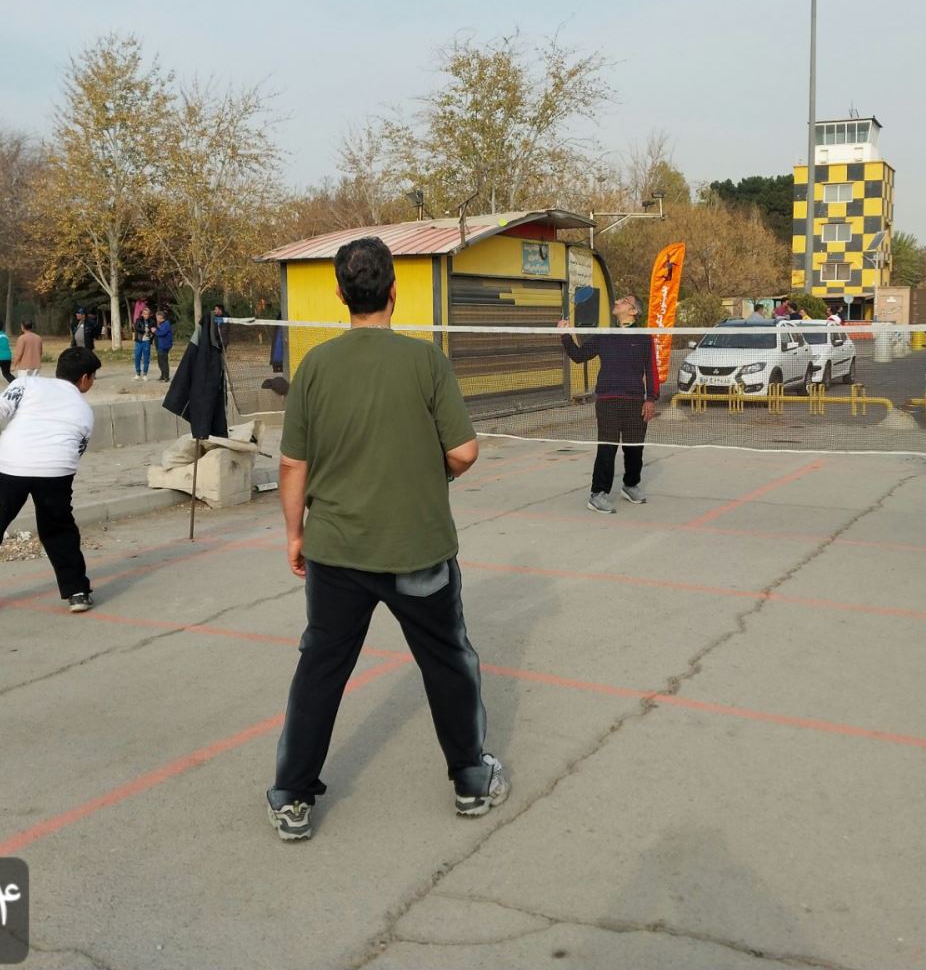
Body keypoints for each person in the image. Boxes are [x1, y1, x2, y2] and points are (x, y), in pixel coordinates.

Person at [267, 236, 506, 841]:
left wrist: (295, 534)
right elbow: (463, 451)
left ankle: (292, 797)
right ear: (394, 291)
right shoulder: (426, 361)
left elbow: (292, 464)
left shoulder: (314, 366)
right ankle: (470, 780)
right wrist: (431, 474)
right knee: (448, 662)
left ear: (340, 294)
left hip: (335, 553)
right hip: (417, 550)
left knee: (321, 668)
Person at [0, 346, 101, 620]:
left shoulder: (27, 383)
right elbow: (77, 449)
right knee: (60, 530)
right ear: (85, 378)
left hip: (8, 465)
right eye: (94, 377)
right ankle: (77, 592)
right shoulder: (85, 410)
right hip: (56, 470)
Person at [558, 294, 659, 514]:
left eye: (624, 301)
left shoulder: (644, 338)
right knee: (607, 448)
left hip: (635, 402)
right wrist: (565, 334)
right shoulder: (605, 335)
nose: (617, 302)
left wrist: (651, 398)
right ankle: (598, 494)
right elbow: (578, 355)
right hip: (607, 401)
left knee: (634, 449)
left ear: (633, 311)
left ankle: (630, 485)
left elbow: (652, 370)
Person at [132, 306, 153, 381]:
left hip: (147, 341)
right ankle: (138, 373)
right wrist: (144, 330)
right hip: (139, 341)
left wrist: (151, 333)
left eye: (147, 314)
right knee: (137, 357)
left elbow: (154, 330)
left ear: (149, 314)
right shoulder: (138, 320)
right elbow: (136, 328)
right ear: (142, 314)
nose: (146, 315)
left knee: (146, 358)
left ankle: (145, 374)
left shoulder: (151, 321)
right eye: (145, 314)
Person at [153, 308, 174, 382]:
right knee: (160, 361)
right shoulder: (161, 324)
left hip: (164, 345)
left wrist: (155, 331)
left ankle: (166, 377)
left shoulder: (166, 324)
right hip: (160, 345)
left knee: (163, 361)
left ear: (160, 317)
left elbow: (162, 333)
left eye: (157, 317)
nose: (156, 319)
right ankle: (162, 375)